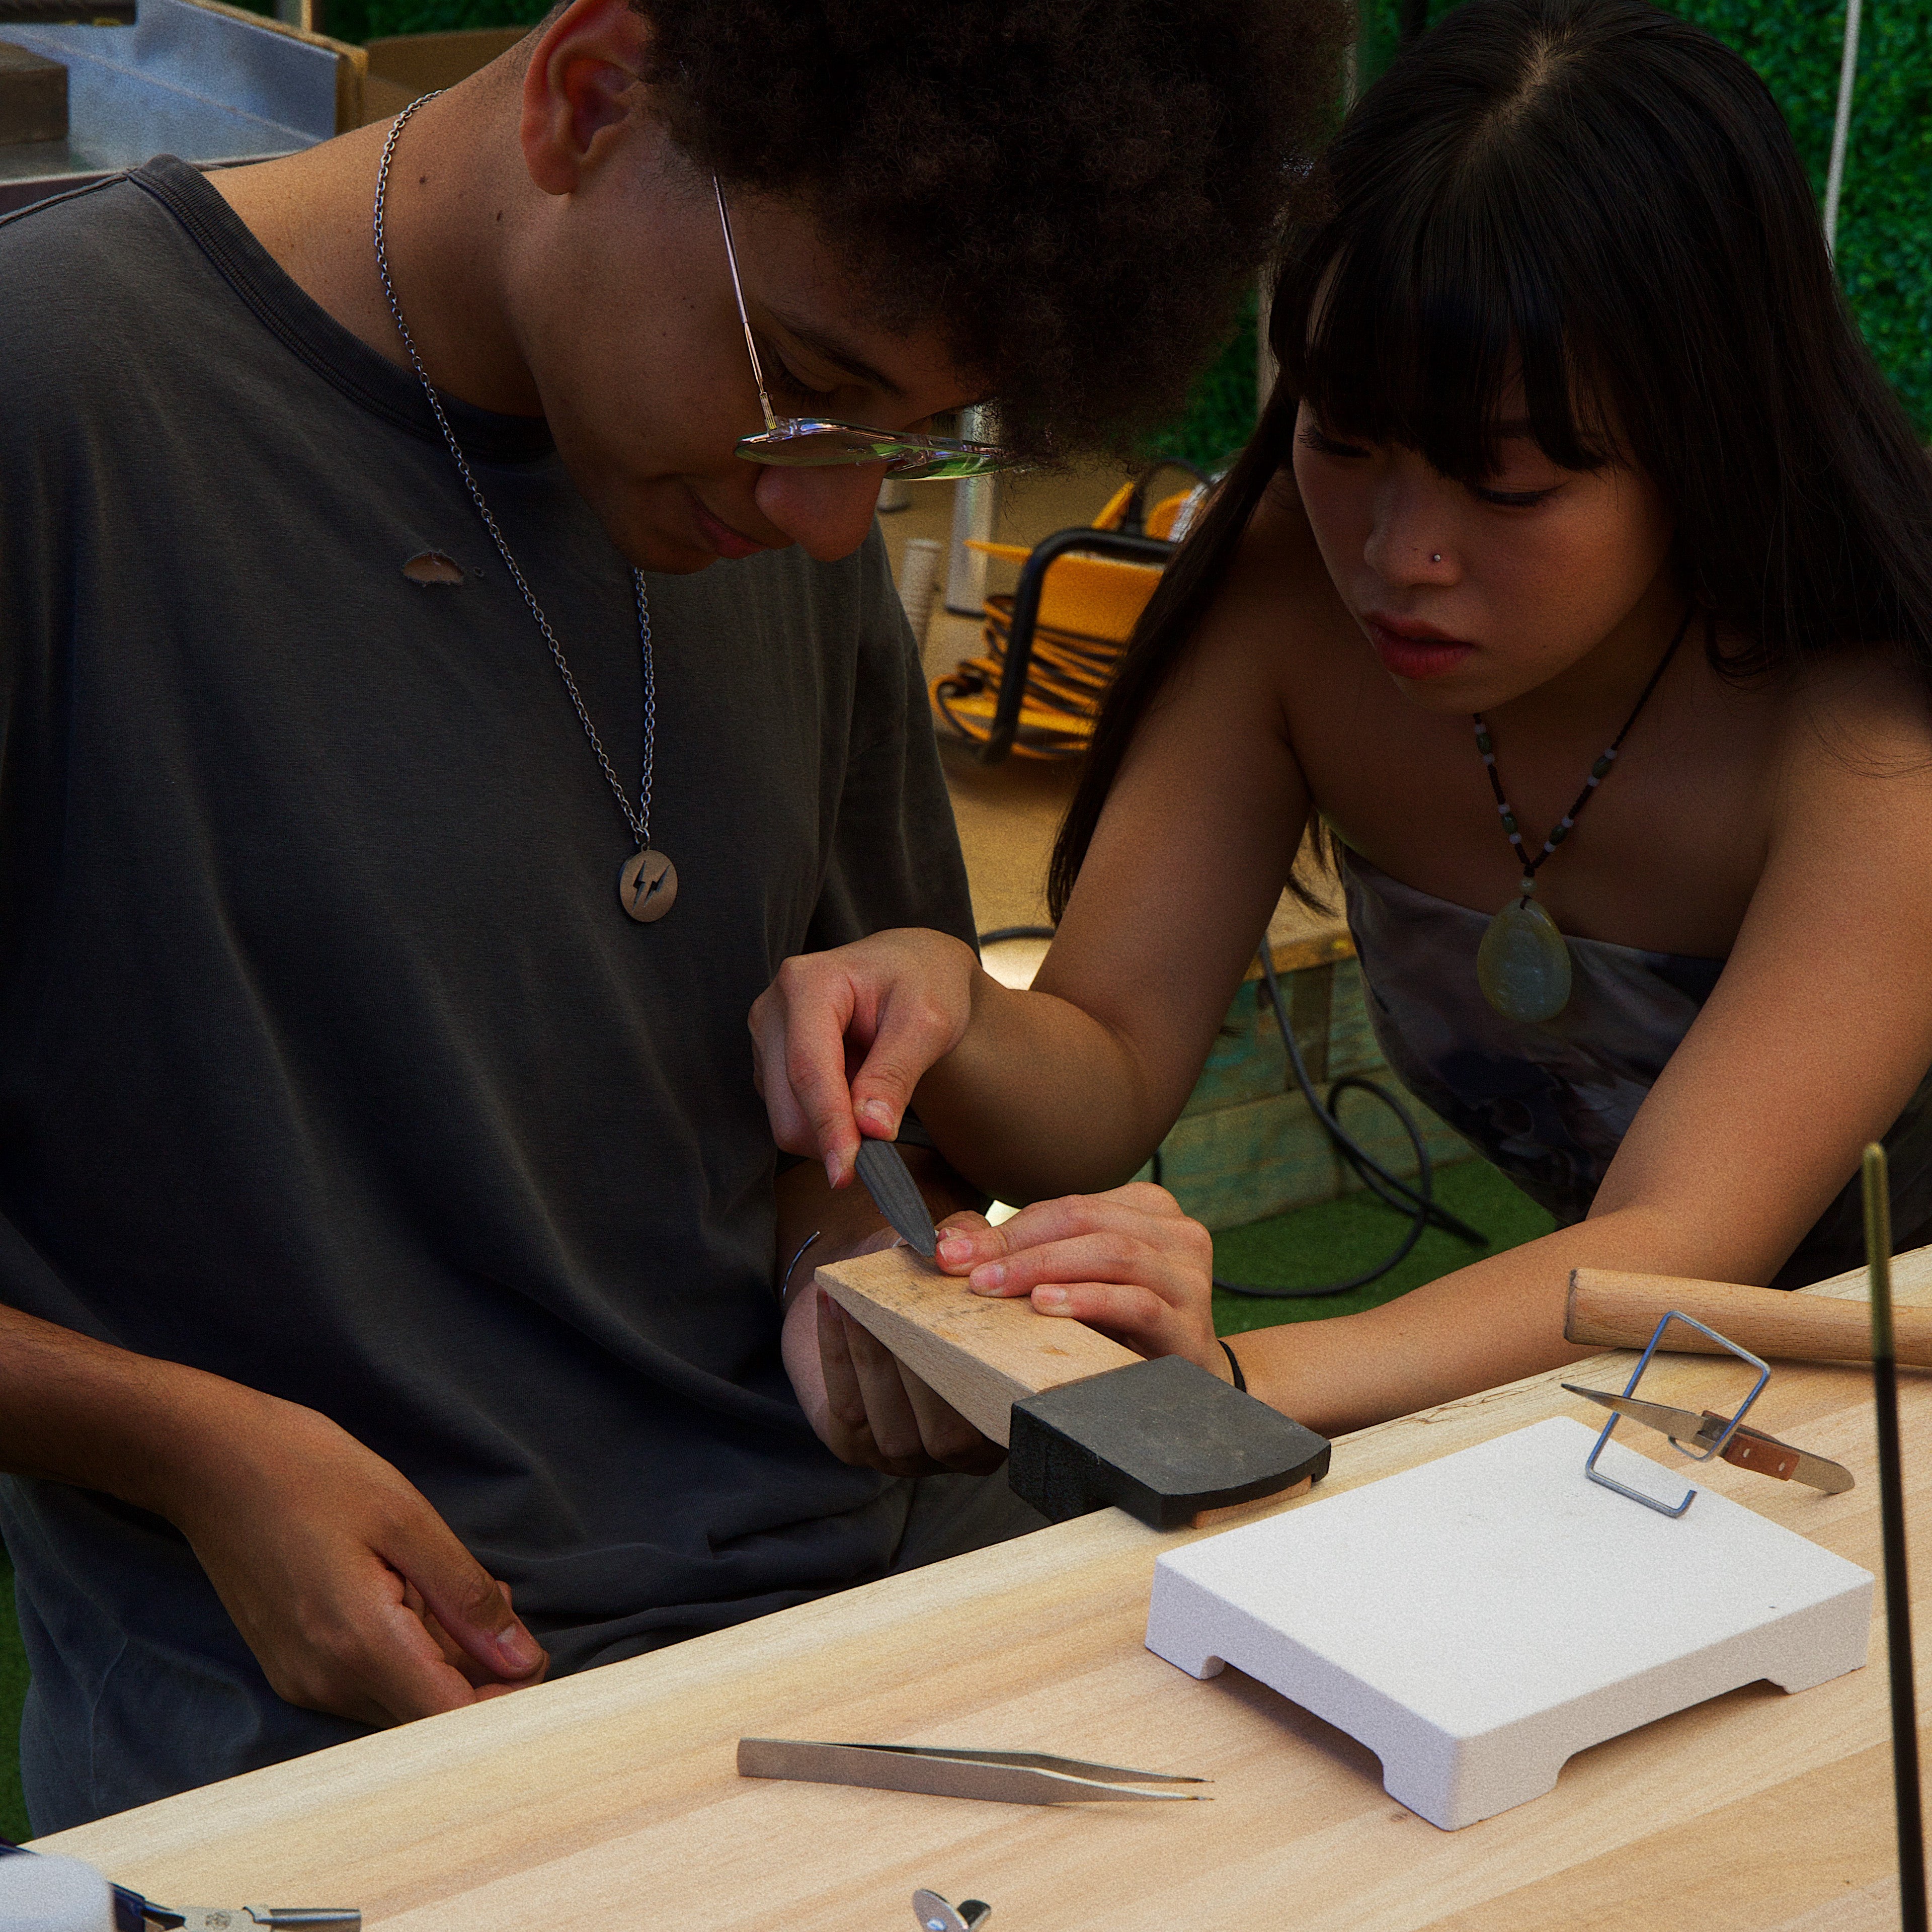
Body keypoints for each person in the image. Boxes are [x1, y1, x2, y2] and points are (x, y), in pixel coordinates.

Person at [0, 0, 1347, 1829]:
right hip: (368, 1705)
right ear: (590, 97)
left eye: (912, 436)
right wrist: (193, 1449)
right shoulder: (57, 400)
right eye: (804, 385)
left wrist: (859, 1272)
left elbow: (833, 1095)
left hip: (897, 1603)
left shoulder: (754, 474)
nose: (822, 517)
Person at [752, 0, 1932, 1461]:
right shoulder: (1282, 605)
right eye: (1342, 440)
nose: (1399, 555)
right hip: (1667, 1398)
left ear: (1709, 436)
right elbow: (1108, 1062)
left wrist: (1231, 1380)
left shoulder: (1874, 725)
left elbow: (1675, 1243)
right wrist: (948, 1006)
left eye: (1505, 488)